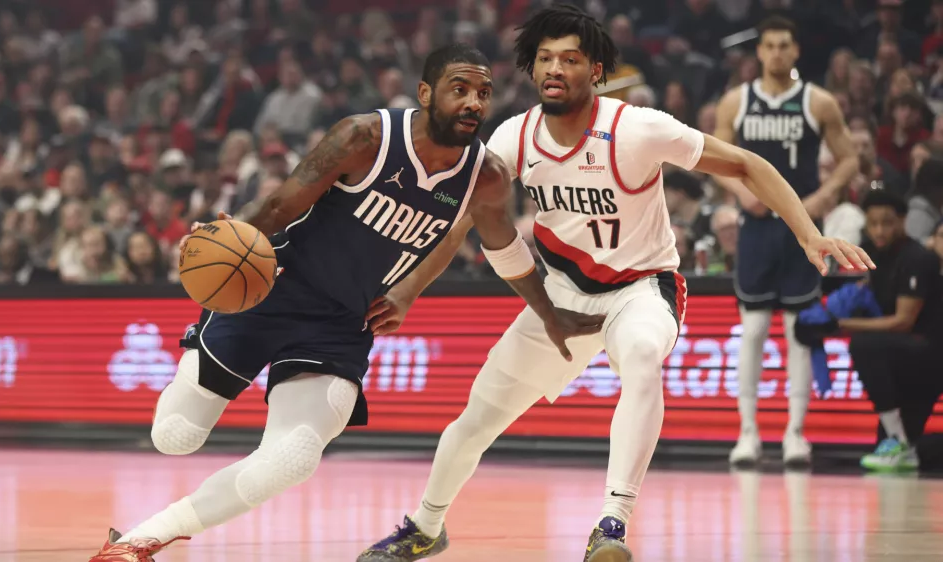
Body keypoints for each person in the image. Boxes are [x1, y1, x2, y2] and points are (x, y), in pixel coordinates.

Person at [358, 6, 873, 562]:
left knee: (643, 359)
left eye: (571, 59)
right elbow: (462, 222)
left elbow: (746, 164)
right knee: (475, 420)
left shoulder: (638, 128)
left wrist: (807, 234)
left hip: (640, 288)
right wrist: (407, 289)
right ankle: (425, 526)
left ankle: (612, 522)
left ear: (596, 71)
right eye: (545, 58)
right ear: (532, 69)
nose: (555, 69)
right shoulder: (515, 136)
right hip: (558, 293)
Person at [87, 44, 604, 562]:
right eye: (460, 89)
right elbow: (279, 205)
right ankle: (198, 364)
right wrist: (228, 236)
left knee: (293, 457)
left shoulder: (485, 176)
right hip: (273, 290)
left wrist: (545, 312)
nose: (474, 102)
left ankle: (142, 538)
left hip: (343, 322)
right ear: (426, 94)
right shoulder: (365, 137)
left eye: (484, 94)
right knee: (175, 436)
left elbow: (502, 247)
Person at [713, 16, 860, 466]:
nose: (776, 53)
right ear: (759, 52)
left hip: (802, 229)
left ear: (795, 52)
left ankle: (795, 433)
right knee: (754, 330)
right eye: (770, 46)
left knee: (800, 333)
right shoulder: (736, 101)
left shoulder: (818, 102)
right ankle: (748, 433)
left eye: (784, 46)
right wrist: (742, 194)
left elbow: (850, 158)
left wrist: (821, 197)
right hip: (756, 228)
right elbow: (716, 159)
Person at [846, 191, 942, 472]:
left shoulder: (917, 258)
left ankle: (899, 441)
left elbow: (903, 321)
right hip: (901, 356)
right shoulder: (870, 253)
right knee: (905, 450)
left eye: (886, 223)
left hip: (929, 356)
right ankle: (901, 441)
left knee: (863, 346)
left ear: (902, 221)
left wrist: (840, 325)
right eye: (872, 223)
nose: (879, 230)